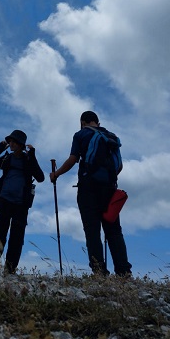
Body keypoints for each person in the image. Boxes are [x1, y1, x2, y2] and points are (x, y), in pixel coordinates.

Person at [50, 111, 132, 276]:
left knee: (92, 230)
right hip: (110, 189)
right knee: (114, 231)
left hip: (88, 189)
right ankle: (124, 272)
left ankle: (99, 272)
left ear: (82, 122)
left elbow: (73, 159)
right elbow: (119, 166)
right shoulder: (111, 137)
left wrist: (56, 174)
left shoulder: (81, 134)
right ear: (97, 122)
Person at [0, 130, 45, 274]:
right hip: (4, 201)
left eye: (13, 141)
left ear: (20, 144)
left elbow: (40, 177)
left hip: (21, 204)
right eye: (10, 141)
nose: (10, 144)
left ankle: (10, 270)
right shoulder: (7, 158)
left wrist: (32, 155)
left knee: (16, 238)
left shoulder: (28, 159)